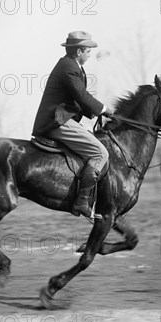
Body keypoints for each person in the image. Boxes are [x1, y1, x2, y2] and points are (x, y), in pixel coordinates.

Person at [32, 31, 112, 218]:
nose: (90, 54)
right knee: (101, 152)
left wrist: (96, 112)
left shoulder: (72, 65)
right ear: (78, 51)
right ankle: (82, 203)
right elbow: (82, 96)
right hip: (57, 121)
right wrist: (104, 109)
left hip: (62, 118)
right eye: (88, 51)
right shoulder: (69, 67)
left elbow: (77, 100)